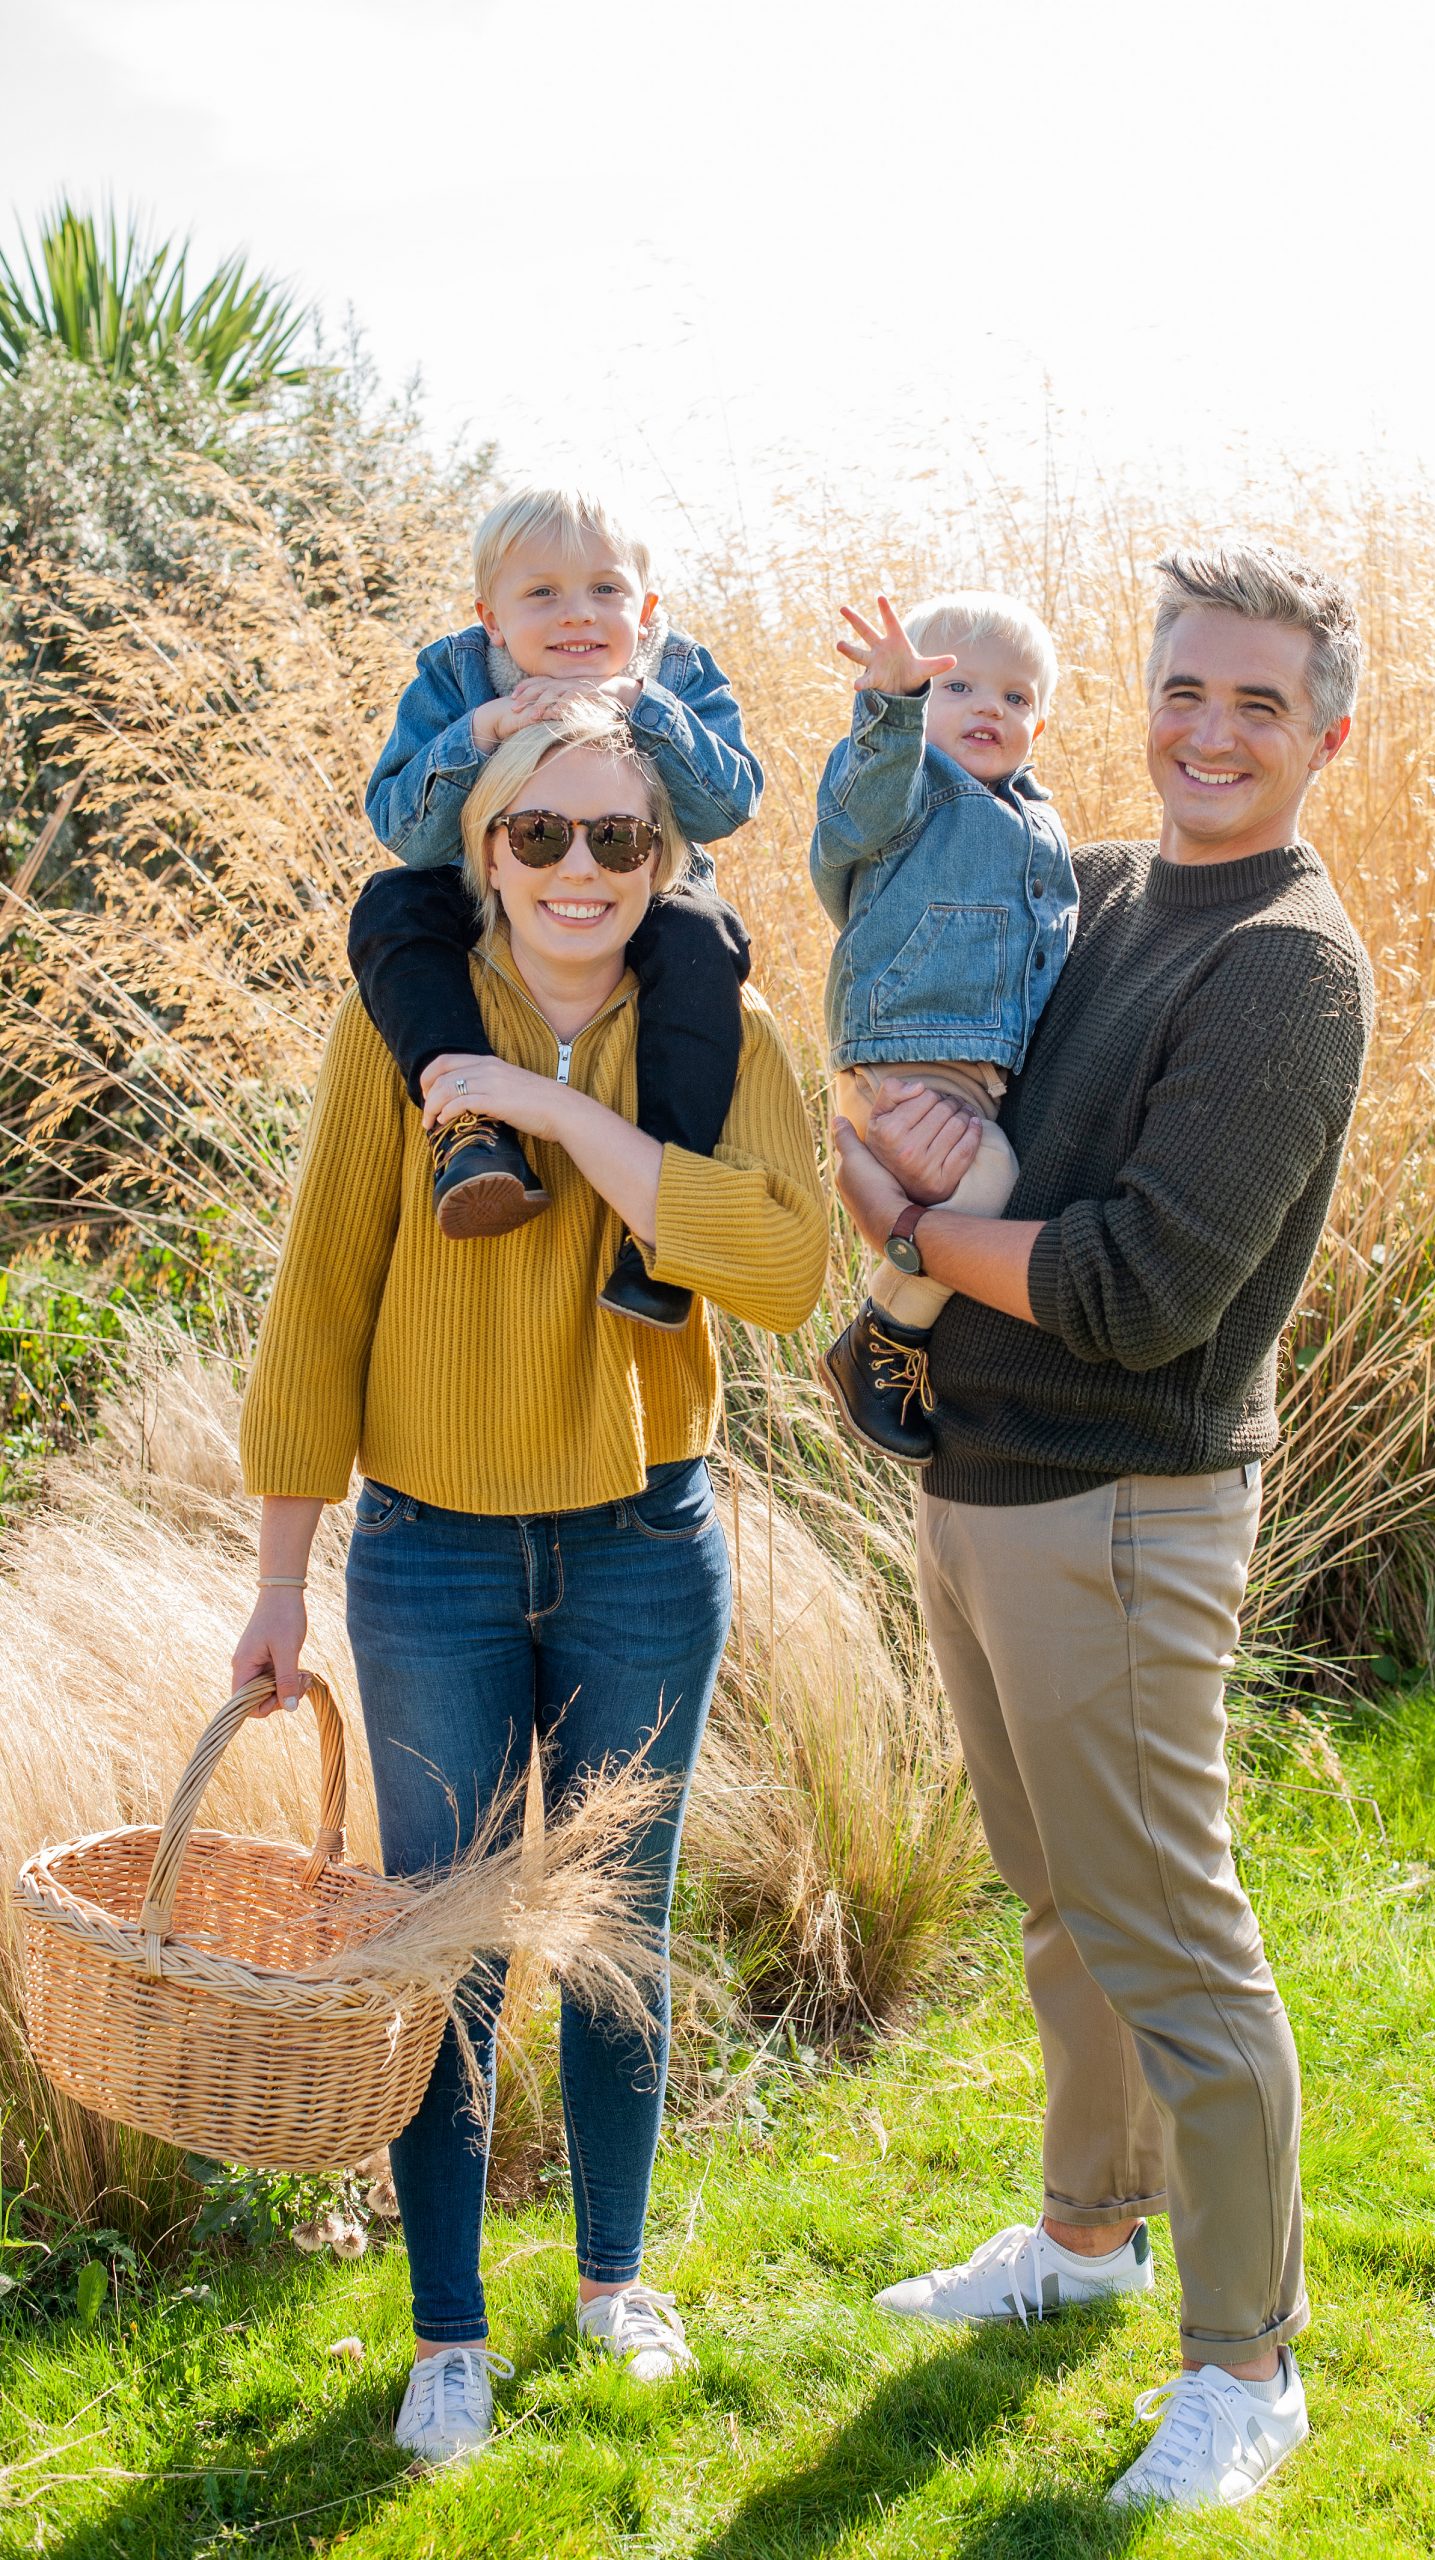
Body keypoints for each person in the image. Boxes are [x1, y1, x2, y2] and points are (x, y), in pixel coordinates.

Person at [831, 544, 1375, 2514]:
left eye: (1251, 701)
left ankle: (1244, 2360)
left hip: (1124, 1502)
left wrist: (903, 1229)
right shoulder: (1113, 892)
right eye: (1178, 689)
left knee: (1170, 1937)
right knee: (1058, 1909)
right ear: (1133, 699)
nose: (1207, 732)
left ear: (1323, 727)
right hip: (981, 1475)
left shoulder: (1286, 965)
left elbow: (1139, 1285)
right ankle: (1080, 2239)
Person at [233, 696, 826, 2466]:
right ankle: (446, 2332)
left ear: (664, 857)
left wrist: (552, 1122)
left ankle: (612, 2284)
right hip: (428, 1554)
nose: (578, 872)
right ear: (482, 850)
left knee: (616, 1934)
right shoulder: (394, 1030)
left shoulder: (724, 1029)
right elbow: (319, 1301)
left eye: (617, 840)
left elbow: (785, 1268)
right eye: (539, 837)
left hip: (647, 1544)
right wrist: (280, 1580)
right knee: (447, 1948)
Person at [349, 486, 761, 1330]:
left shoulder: (677, 673)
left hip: (637, 891)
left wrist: (645, 708)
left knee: (703, 941)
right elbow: (403, 830)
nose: (577, 615)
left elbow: (727, 806)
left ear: (645, 611)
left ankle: (659, 1231)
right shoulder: (457, 675)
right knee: (392, 905)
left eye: (605, 590)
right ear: (491, 618)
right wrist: (482, 732)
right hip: (493, 887)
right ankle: (468, 1126)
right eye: (541, 593)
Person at [809, 591, 1076, 1464]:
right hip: (900, 1057)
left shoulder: (1037, 825)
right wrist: (890, 708)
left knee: (1000, 1184)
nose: (991, 710)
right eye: (957, 689)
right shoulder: (911, 789)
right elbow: (848, 823)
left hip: (972, 1072)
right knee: (988, 1181)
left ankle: (899, 1339)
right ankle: (878, 1341)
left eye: (1017, 697)